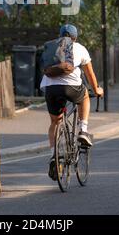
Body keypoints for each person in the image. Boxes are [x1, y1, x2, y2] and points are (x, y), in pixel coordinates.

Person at [40, 24, 104, 180]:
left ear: (60, 35)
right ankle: (83, 130)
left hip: (50, 88)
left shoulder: (52, 47)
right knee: (85, 97)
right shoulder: (79, 48)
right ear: (75, 37)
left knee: (55, 122)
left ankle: (54, 155)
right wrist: (97, 90)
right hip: (71, 88)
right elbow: (90, 74)